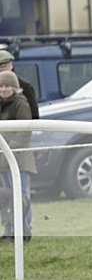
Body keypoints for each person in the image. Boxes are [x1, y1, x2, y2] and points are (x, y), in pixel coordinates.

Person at [0, 70, 36, 242]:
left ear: (14, 87)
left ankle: (25, 231)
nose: (4, 89)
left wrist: (8, 148)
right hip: (4, 160)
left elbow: (24, 131)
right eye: (1, 86)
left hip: (19, 160)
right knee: (9, 199)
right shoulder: (2, 104)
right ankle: (10, 231)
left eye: (7, 86)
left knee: (22, 198)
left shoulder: (20, 103)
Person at [0, 50, 38, 120]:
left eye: (4, 66)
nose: (2, 69)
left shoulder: (24, 85)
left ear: (11, 65)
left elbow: (34, 113)